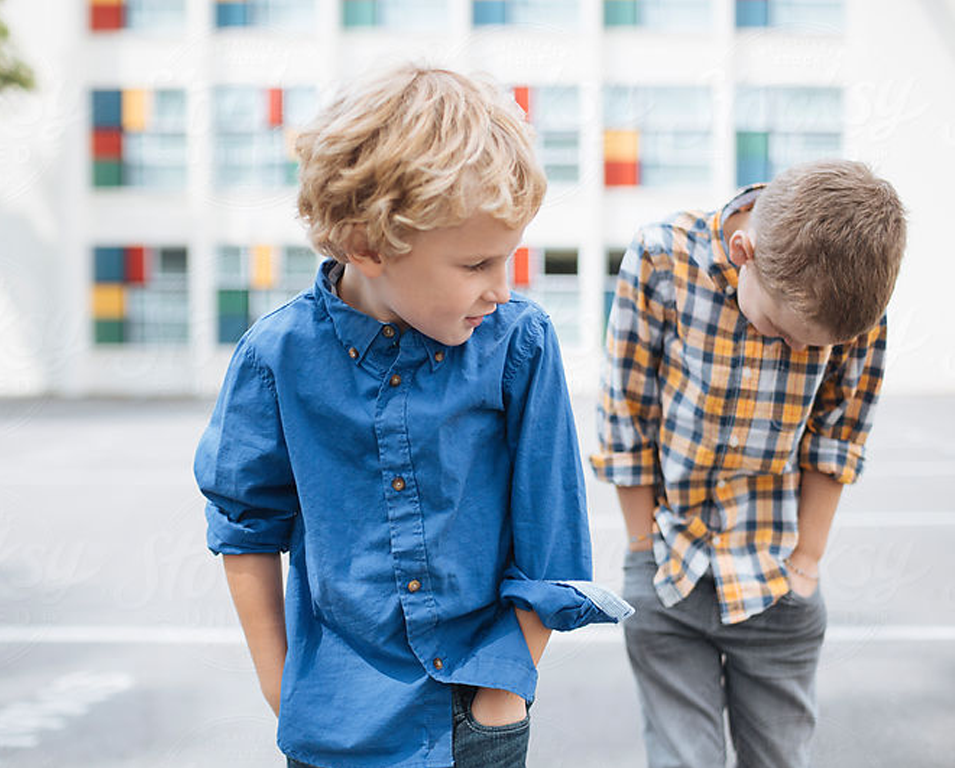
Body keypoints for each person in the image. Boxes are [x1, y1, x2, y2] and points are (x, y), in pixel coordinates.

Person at [193, 65, 632, 768]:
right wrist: (283, 689)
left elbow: (552, 536)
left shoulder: (519, 342)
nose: (502, 286)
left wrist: (501, 687)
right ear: (368, 246)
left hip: (476, 715)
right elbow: (245, 526)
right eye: (477, 263)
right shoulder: (276, 356)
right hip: (331, 724)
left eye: (510, 257)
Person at [591, 159, 907, 768]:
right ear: (744, 252)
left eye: (812, 349)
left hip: (774, 584)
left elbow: (836, 438)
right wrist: (638, 550)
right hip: (667, 572)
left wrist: (806, 564)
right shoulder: (662, 259)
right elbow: (626, 418)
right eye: (781, 330)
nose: (797, 352)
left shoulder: (854, 308)